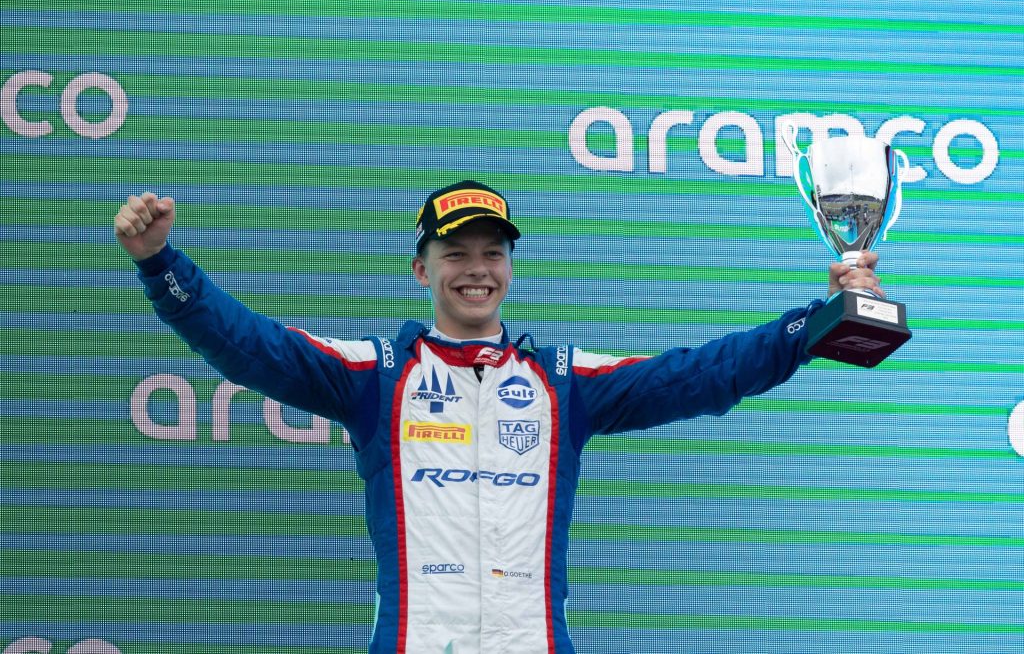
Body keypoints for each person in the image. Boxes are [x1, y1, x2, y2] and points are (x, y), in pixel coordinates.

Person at [114, 181, 884, 654]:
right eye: (456, 253)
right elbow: (253, 347)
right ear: (423, 269)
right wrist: (162, 266)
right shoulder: (375, 375)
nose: (476, 269)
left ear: (510, 269)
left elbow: (701, 375)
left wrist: (815, 325)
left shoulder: (562, 381)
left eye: (493, 252)